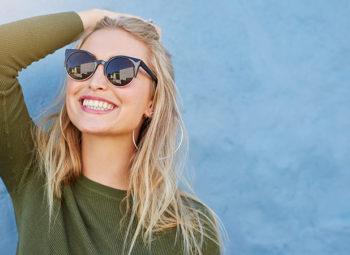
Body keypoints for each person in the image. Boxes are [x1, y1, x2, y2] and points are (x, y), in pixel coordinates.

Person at [0, 8, 225, 255]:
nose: (95, 82)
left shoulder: (191, 229)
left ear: (152, 102)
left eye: (122, 70)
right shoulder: (36, 173)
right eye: (82, 64)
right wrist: (97, 17)